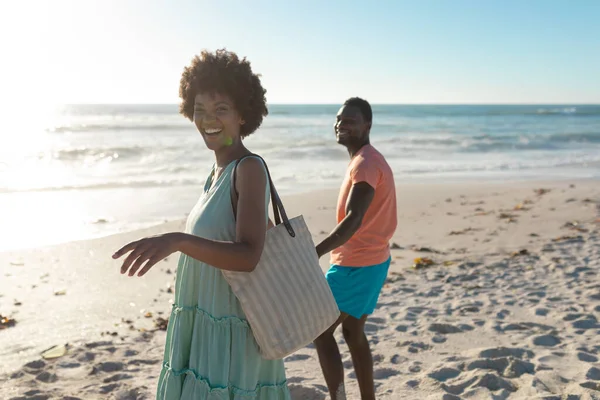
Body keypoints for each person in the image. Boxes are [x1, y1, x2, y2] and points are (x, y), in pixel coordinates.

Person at [112, 49, 290, 400]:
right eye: (199, 110)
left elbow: (249, 255)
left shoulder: (249, 168)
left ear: (242, 115)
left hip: (232, 331)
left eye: (221, 109)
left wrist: (177, 240)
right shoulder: (216, 172)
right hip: (204, 319)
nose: (208, 119)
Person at [314, 97, 397, 400]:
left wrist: (316, 251)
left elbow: (354, 219)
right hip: (371, 261)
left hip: (357, 265)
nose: (341, 125)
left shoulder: (364, 164)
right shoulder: (367, 158)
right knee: (352, 332)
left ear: (367, 125)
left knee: (320, 330)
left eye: (350, 120)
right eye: (338, 119)